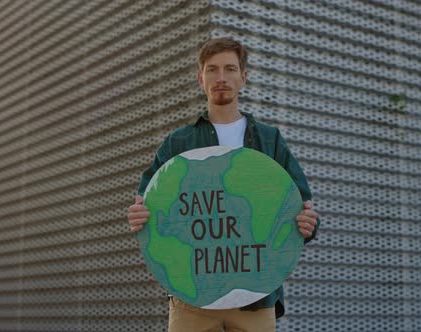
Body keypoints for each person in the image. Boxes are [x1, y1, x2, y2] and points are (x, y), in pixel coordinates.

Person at [127, 37, 320, 332]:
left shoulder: (270, 141)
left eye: (230, 69)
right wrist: (139, 217)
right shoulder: (178, 142)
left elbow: (300, 208)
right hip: (192, 297)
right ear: (200, 78)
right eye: (211, 69)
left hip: (256, 297)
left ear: (243, 77)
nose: (221, 78)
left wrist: (307, 224)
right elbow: (149, 206)